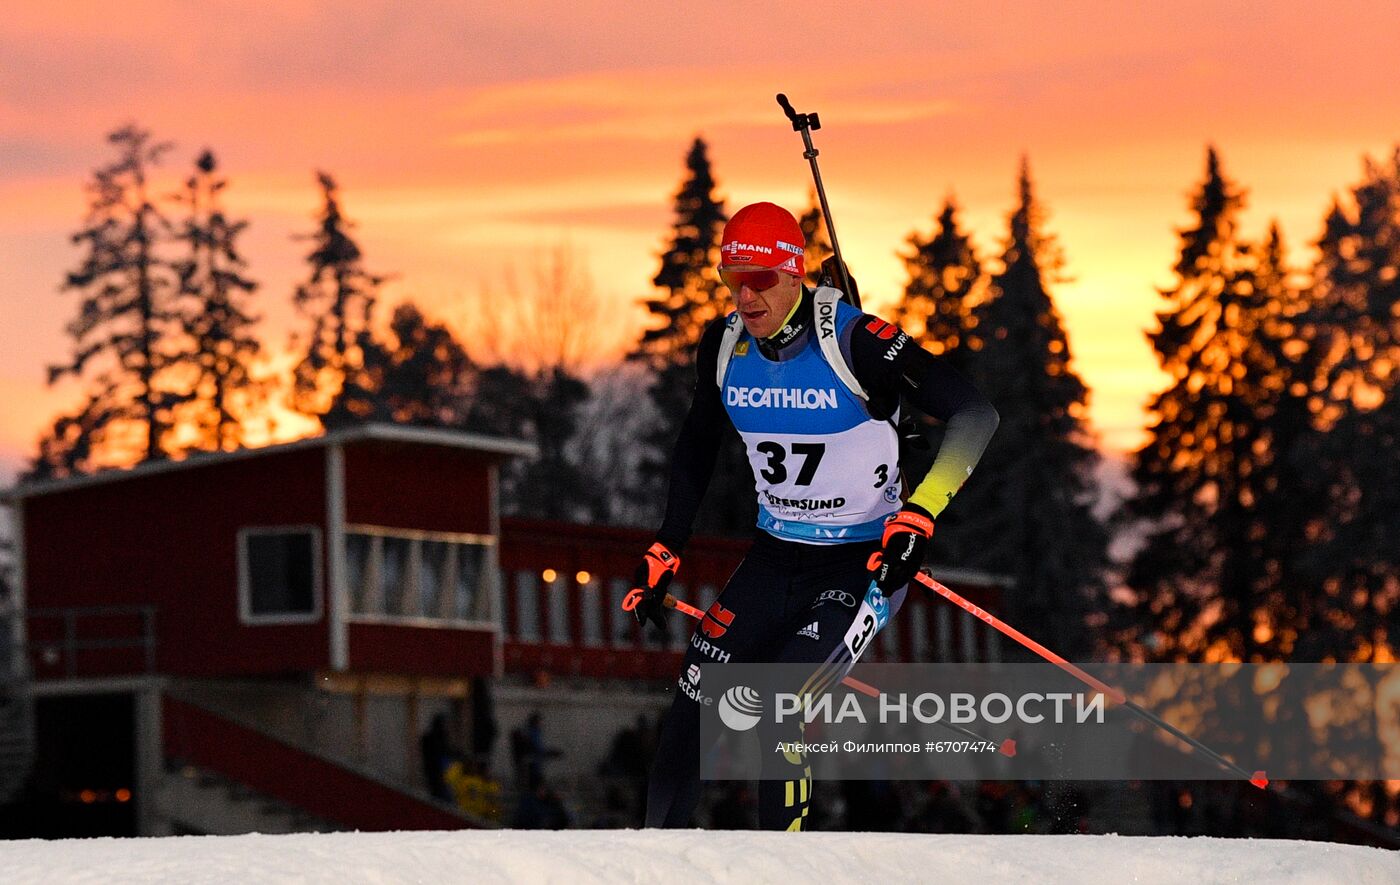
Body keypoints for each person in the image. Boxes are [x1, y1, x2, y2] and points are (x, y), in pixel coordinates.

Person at [632, 201, 999, 830]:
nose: (745, 299)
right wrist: (667, 545)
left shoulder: (855, 341)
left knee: (781, 701)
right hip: (776, 556)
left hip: (862, 563)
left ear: (796, 273)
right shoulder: (722, 347)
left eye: (762, 281)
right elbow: (698, 439)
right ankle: (657, 861)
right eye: (732, 281)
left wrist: (919, 515)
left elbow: (976, 415)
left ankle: (787, 868)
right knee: (696, 689)